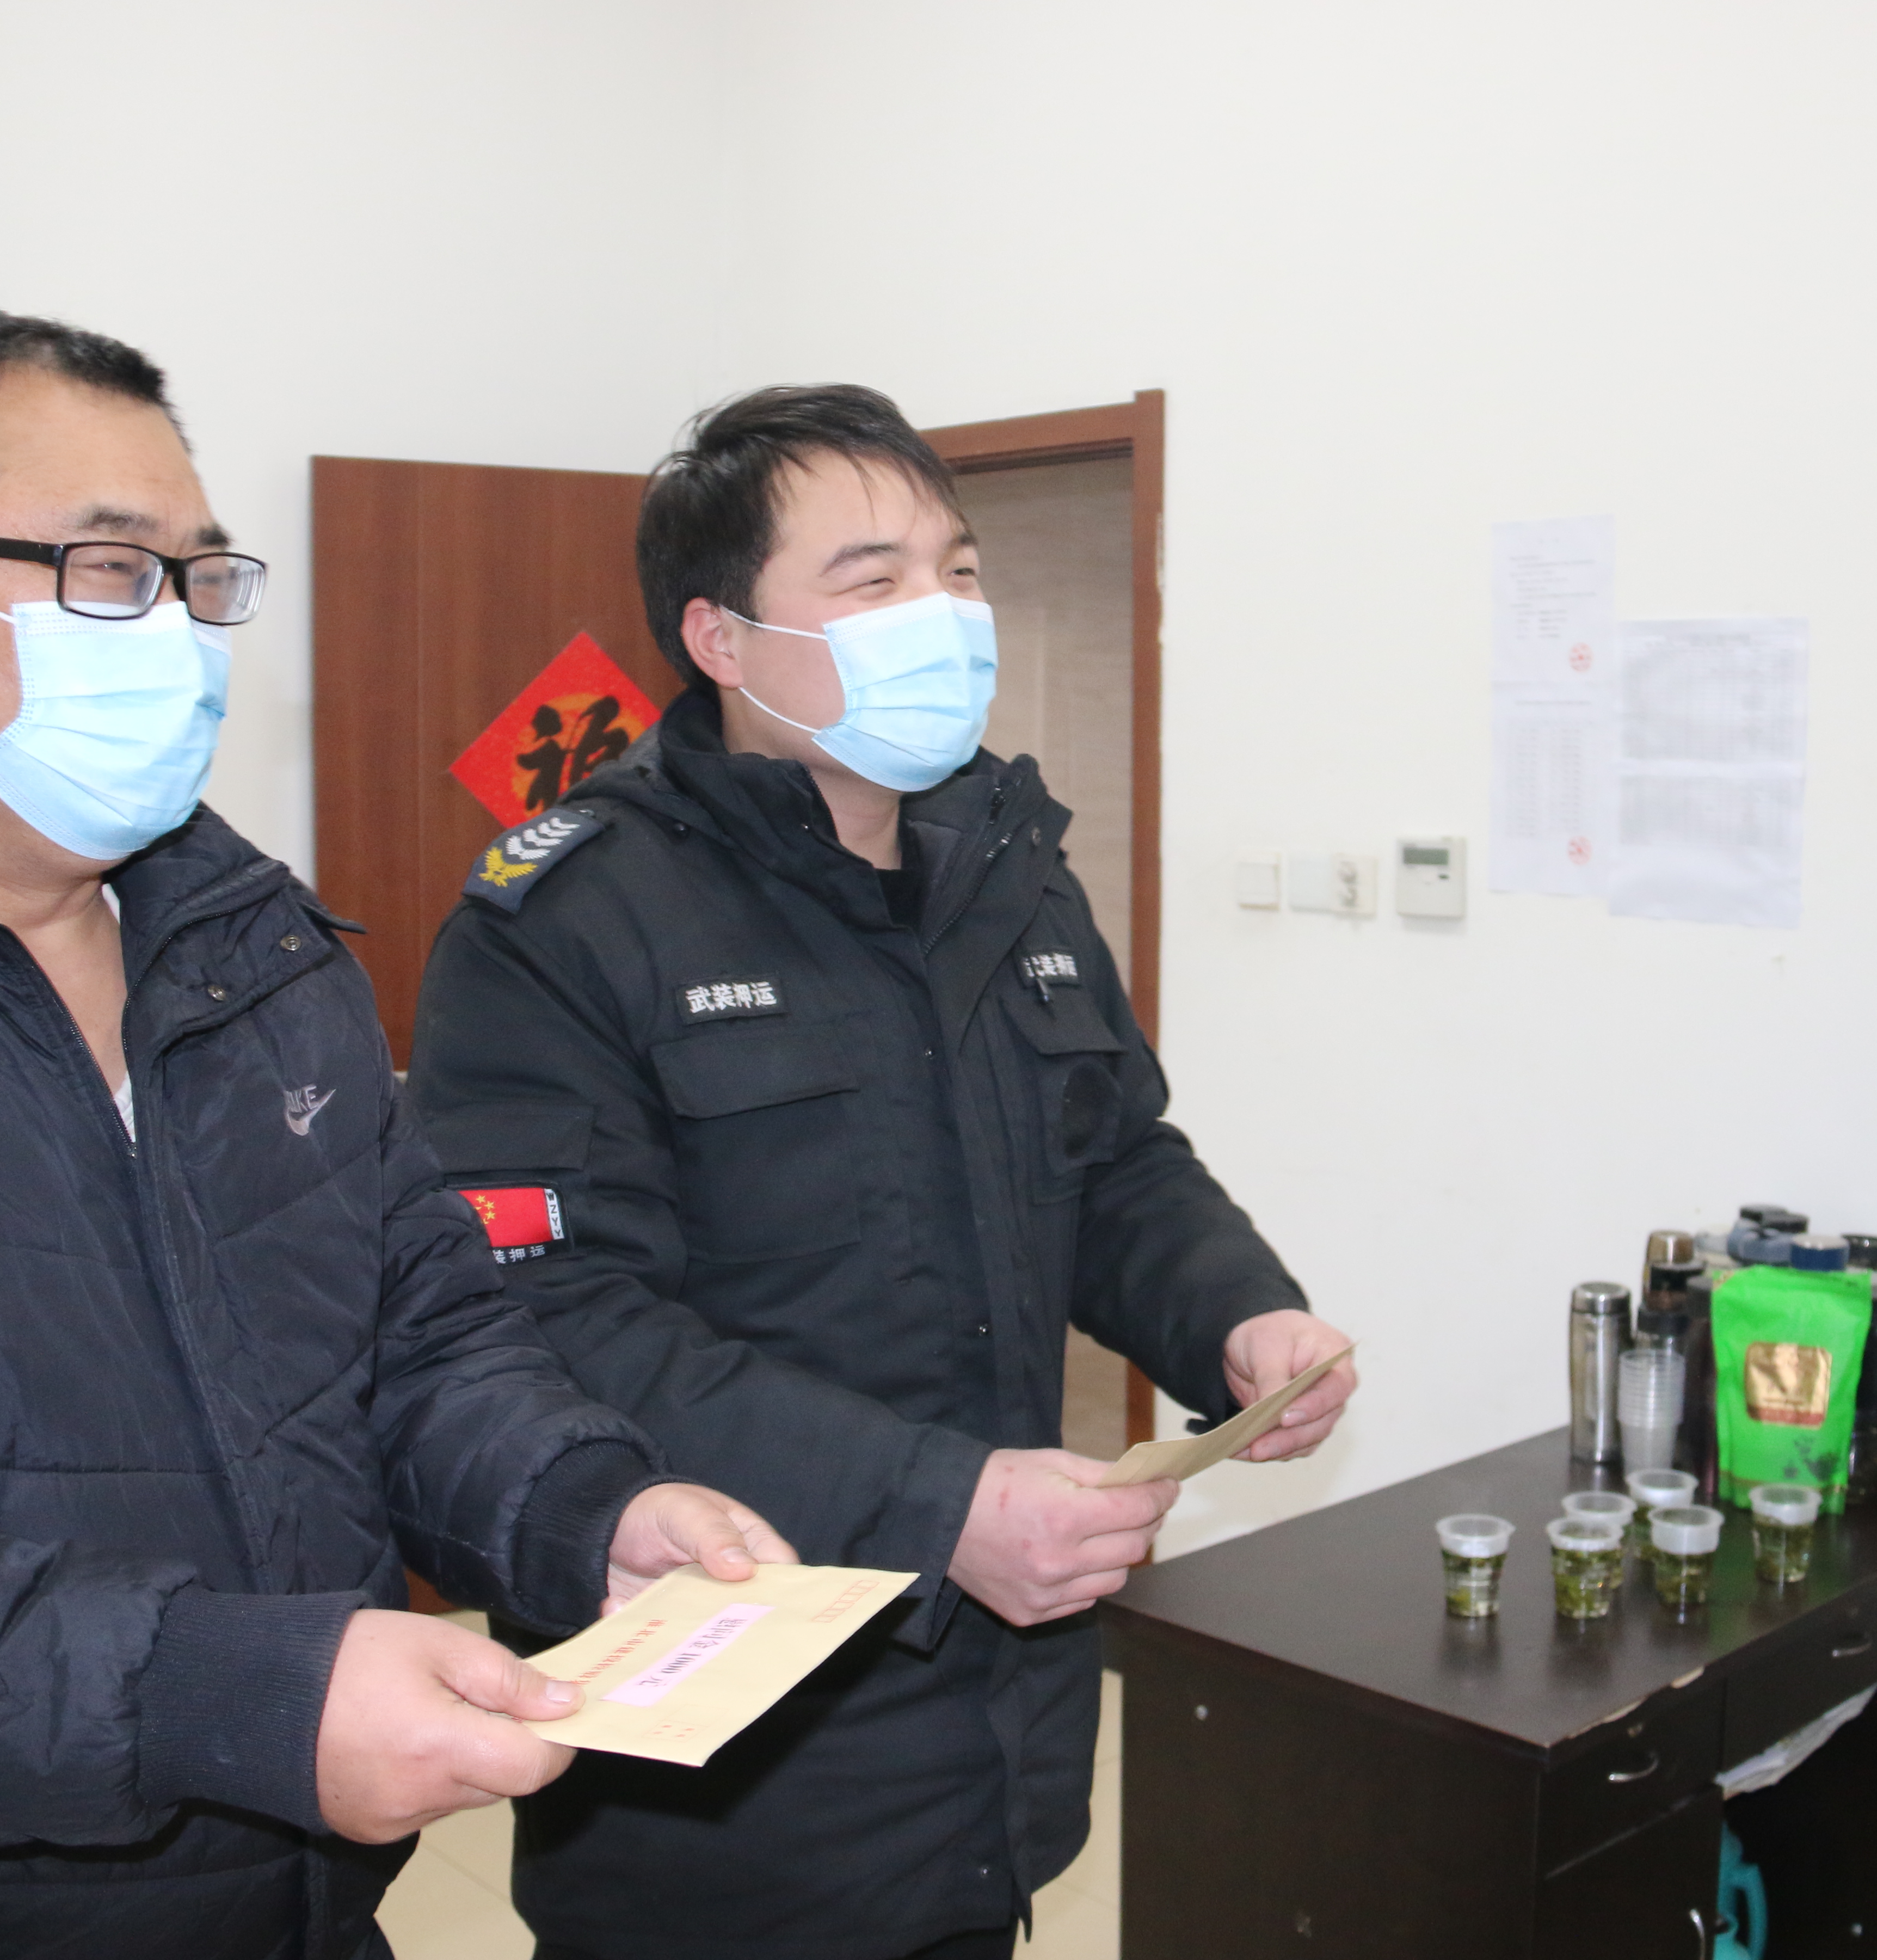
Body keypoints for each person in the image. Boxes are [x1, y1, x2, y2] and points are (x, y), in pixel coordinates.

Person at [0, 307, 789, 1960]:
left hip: (303, 1901)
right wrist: (222, 1694)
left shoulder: (252, 944)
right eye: (104, 569)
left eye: (198, 577)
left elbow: (418, 1334)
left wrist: (581, 1513)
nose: (171, 631)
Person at [408, 384, 1356, 1959]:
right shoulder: (571, 919)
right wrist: (940, 1504)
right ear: (720, 638)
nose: (945, 613)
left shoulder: (1007, 870)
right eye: (875, 580)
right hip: (732, 1764)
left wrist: (1238, 1316)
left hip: (999, 1731)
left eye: (958, 570)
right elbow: (553, 1322)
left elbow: (1114, 1162)